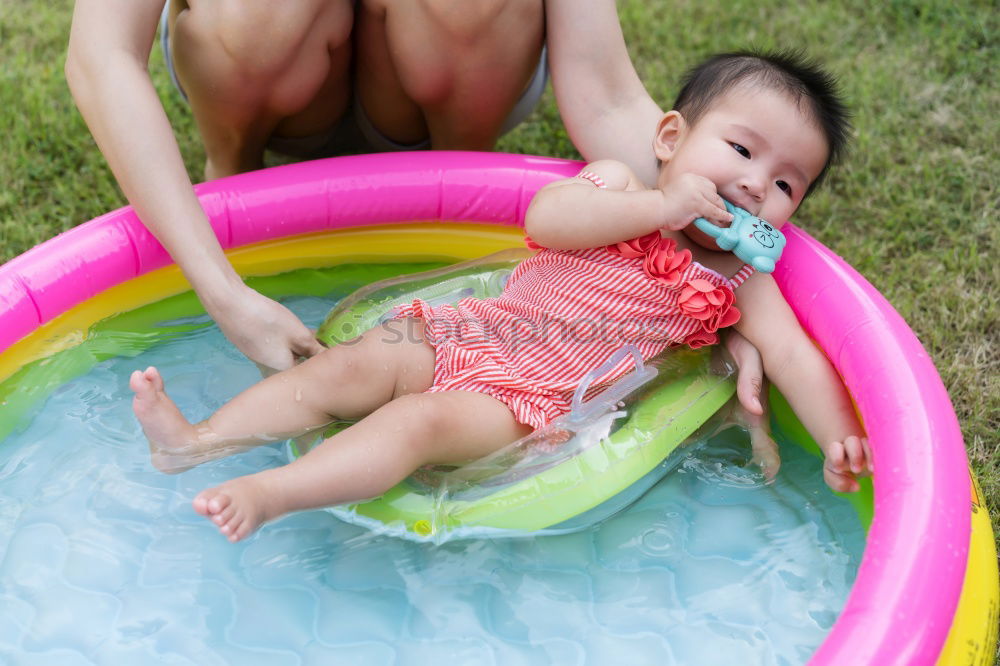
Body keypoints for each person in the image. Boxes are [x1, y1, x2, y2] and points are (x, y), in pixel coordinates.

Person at [129, 50, 872, 543]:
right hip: (477, 329)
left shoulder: (742, 282)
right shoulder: (619, 185)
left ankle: (273, 494)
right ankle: (195, 441)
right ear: (671, 138)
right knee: (344, 369)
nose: (753, 184)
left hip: (529, 397)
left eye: (785, 184)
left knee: (418, 424)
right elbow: (547, 220)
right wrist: (657, 211)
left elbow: (797, 358)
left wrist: (840, 433)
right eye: (742, 151)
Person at [64, 2, 768, 421]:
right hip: (262, 67)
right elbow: (101, 59)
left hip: (446, 69)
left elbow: (610, 98)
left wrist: (714, 269)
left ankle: (448, 203)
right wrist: (221, 293)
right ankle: (235, 181)